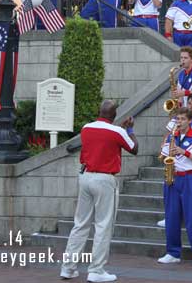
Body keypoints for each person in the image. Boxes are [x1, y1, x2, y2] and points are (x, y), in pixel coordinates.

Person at [60, 100, 138, 282]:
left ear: (100, 111)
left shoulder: (87, 128)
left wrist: (120, 128)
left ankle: (68, 268)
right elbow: (134, 149)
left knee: (80, 224)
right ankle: (96, 269)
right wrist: (130, 130)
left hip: (86, 176)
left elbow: (104, 135)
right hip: (104, 179)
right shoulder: (118, 131)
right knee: (103, 225)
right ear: (114, 115)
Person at [158, 107, 192, 267]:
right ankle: (173, 252)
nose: (179, 122)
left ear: (190, 121)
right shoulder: (172, 137)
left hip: (189, 177)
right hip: (173, 177)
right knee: (171, 217)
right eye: (177, 119)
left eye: (182, 119)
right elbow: (164, 157)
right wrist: (168, 154)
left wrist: (183, 152)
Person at [160, 92, 192, 228]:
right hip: (176, 161)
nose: (190, 106)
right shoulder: (179, 116)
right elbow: (168, 134)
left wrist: (184, 149)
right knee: (171, 193)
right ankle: (171, 217)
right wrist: (165, 147)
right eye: (188, 103)